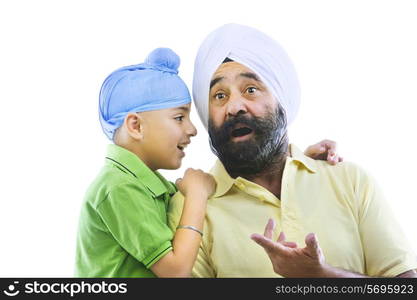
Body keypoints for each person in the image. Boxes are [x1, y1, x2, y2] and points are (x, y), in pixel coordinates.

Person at [167, 24, 417, 278]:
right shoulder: (192, 207)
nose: (234, 107)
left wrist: (323, 276)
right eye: (219, 95)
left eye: (250, 89)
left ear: (282, 100)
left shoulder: (349, 180)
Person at [75, 48, 216, 277]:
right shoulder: (118, 187)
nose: (192, 130)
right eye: (179, 117)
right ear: (136, 126)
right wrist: (197, 194)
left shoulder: (146, 183)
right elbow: (175, 271)